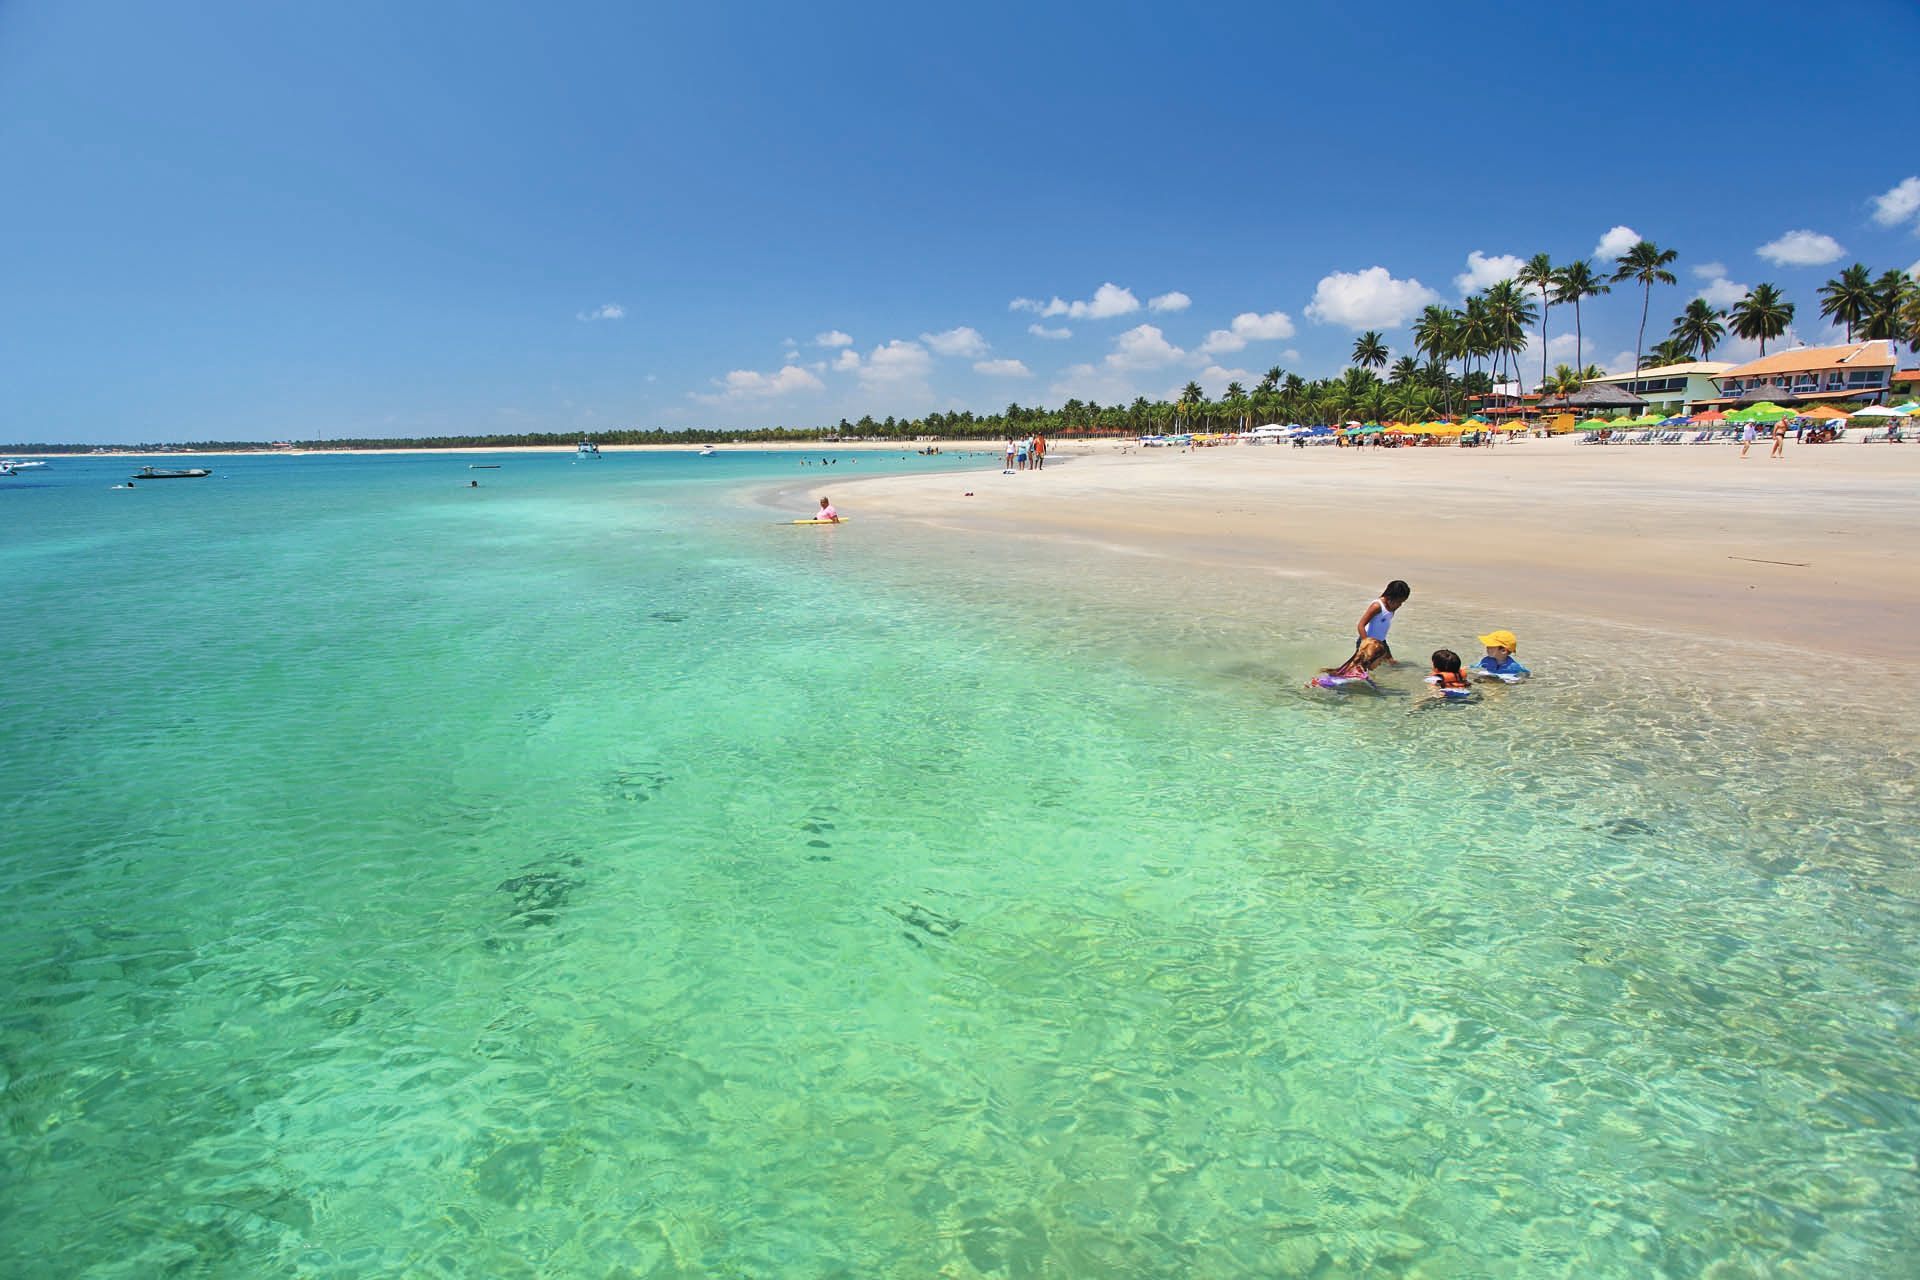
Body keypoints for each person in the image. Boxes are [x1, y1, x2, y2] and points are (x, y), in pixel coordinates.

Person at [1355, 580, 1410, 657]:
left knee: (1392, 664)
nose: (1400, 605)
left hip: (1381, 642)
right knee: (1364, 667)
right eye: (1398, 601)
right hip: (1367, 642)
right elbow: (1361, 625)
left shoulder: (1392, 607)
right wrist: (1367, 644)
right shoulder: (1377, 606)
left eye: (1402, 602)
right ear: (1390, 597)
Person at [1309, 638, 1390, 690]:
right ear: (1371, 659)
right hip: (1326, 687)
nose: (1380, 664)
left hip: (1322, 682)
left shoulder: (1351, 666)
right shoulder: (1361, 676)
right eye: (1380, 660)